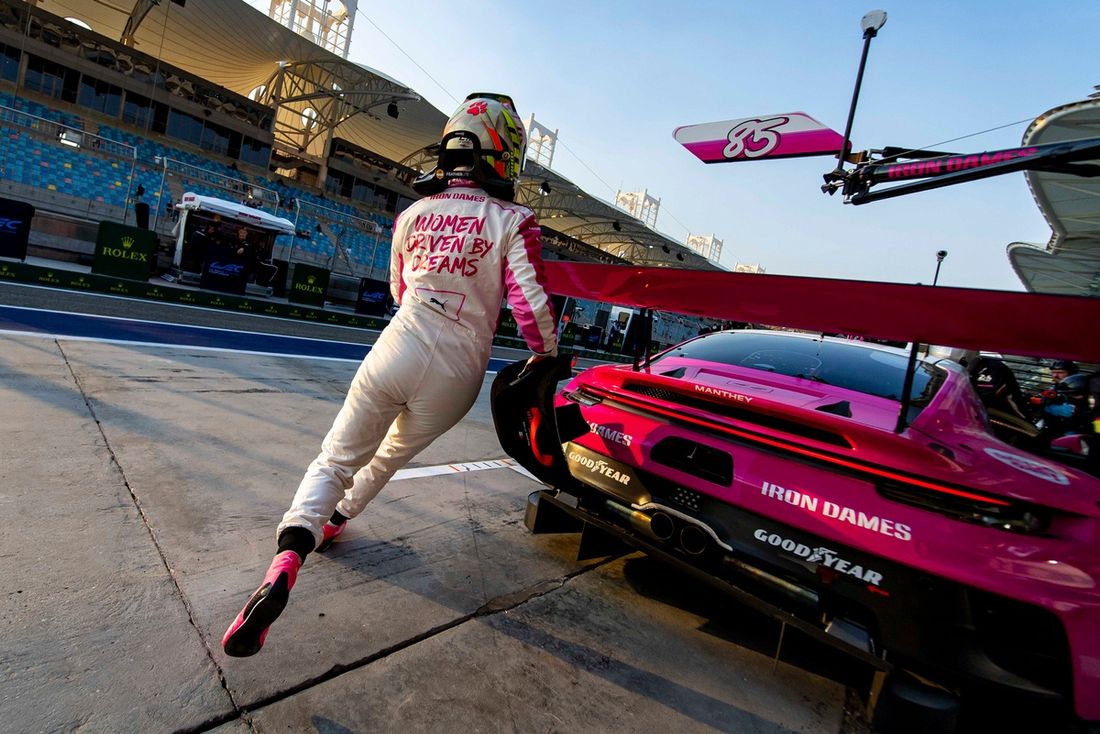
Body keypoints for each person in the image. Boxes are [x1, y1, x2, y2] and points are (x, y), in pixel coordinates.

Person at [222, 93, 558, 657]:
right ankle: (337, 521)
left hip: (398, 344)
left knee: (334, 458)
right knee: (386, 458)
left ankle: (289, 555)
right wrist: (545, 355)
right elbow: (531, 305)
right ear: (504, 158)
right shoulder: (514, 220)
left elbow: (399, 290)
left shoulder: (411, 216)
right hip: (458, 372)